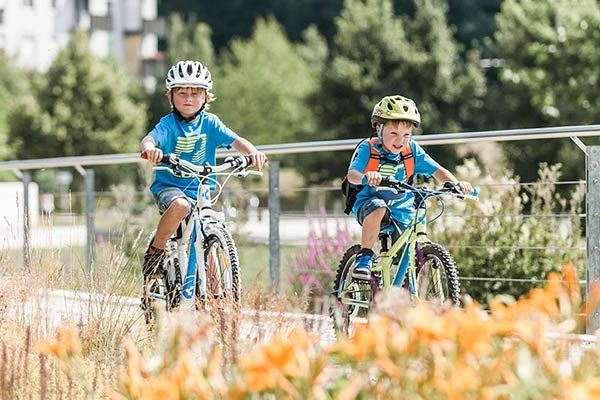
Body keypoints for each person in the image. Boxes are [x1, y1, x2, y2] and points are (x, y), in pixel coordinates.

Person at [141, 60, 267, 279]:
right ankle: (156, 252)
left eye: (195, 93)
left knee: (207, 241)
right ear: (170, 96)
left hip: (201, 191)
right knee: (180, 206)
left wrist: (253, 153)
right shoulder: (169, 124)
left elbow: (237, 141)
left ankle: (219, 304)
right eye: (181, 93)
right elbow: (150, 138)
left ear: (206, 96)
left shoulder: (211, 123)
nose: (188, 99)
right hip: (170, 187)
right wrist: (150, 149)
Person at [346, 95, 472, 281]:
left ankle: (401, 289)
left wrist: (456, 184)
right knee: (378, 206)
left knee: (406, 252)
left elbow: (437, 170)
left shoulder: (411, 151)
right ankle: (364, 257)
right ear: (378, 129)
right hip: (369, 202)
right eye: (394, 134)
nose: (400, 141)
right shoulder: (368, 148)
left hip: (400, 207)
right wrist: (366, 177)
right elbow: (352, 175)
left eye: (406, 135)